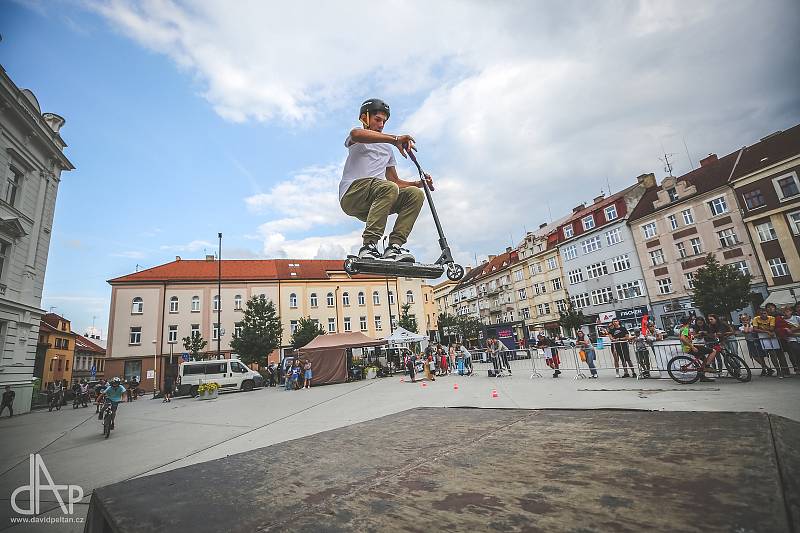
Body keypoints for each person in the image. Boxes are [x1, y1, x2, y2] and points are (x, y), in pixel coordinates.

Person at [339, 98, 433, 263]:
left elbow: (395, 181)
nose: (381, 125)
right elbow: (355, 134)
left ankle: (394, 247)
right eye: (377, 120)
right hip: (352, 194)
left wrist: (419, 184)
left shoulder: (387, 149)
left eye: (384, 121)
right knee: (387, 187)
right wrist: (395, 139)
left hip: (374, 201)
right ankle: (369, 246)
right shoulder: (358, 138)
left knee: (415, 195)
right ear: (364, 118)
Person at [678, 316, 717, 382]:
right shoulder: (686, 328)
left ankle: (702, 377)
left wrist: (694, 337)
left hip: (688, 347)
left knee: (704, 359)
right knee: (713, 351)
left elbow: (687, 337)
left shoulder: (683, 328)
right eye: (690, 320)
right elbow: (682, 338)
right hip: (689, 348)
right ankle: (707, 367)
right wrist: (692, 347)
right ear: (689, 321)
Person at [752, 307, 785, 378]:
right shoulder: (755, 319)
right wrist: (766, 331)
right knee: (772, 354)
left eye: (764, 313)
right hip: (763, 338)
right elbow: (755, 329)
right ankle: (778, 371)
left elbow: (772, 328)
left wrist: (760, 327)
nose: (763, 315)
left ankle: (784, 370)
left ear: (767, 313)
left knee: (779, 354)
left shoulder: (772, 318)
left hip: (773, 337)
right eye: (761, 314)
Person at [775, 305, 799, 375]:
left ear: (791, 311)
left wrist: (792, 329)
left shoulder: (796, 318)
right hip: (791, 338)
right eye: (783, 311)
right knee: (796, 350)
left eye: (787, 311)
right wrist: (784, 329)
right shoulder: (781, 319)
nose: (785, 313)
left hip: (798, 335)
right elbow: (778, 329)